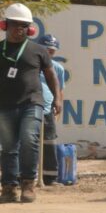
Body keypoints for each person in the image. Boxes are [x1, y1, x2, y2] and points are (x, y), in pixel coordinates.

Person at [0, 3, 62, 203]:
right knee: (9, 147)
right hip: (4, 106)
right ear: (5, 25)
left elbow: (51, 76)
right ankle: (9, 187)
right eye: (15, 25)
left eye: (24, 26)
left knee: (29, 139)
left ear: (30, 29)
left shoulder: (38, 50)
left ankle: (28, 184)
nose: (20, 29)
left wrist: (58, 98)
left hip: (32, 103)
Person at [37, 34, 66, 185]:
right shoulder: (31, 63)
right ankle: (24, 177)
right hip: (30, 107)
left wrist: (59, 103)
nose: (49, 53)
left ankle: (50, 177)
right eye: (46, 49)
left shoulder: (58, 68)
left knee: (49, 142)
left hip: (48, 109)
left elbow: (59, 89)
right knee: (27, 143)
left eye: (52, 51)